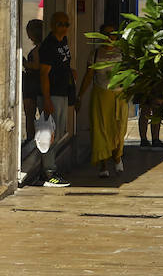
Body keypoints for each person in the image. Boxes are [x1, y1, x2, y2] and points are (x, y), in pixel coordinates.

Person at [78, 23, 126, 178]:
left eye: (113, 34)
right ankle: (103, 164)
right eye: (106, 34)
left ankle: (117, 156)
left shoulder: (122, 53)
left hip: (119, 97)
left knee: (119, 130)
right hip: (100, 97)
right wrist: (80, 95)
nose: (109, 37)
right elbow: (88, 76)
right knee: (100, 130)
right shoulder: (95, 54)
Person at [36, 11, 75, 187]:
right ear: (52, 25)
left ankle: (49, 167)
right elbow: (44, 74)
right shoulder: (48, 46)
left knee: (57, 133)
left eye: (67, 24)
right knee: (49, 134)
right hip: (51, 94)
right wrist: (47, 99)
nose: (64, 28)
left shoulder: (63, 41)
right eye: (60, 24)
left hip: (63, 92)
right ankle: (48, 172)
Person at [20, 18, 43, 146]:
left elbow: (37, 66)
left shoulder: (39, 49)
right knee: (31, 113)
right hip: (35, 83)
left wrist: (24, 63)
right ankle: (32, 138)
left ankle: (31, 139)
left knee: (29, 112)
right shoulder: (42, 47)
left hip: (33, 83)